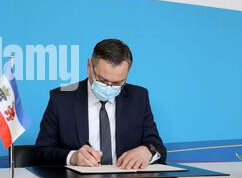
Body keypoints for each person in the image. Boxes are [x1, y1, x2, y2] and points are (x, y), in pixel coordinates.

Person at [35, 39, 166, 169]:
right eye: (103, 80)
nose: (109, 87)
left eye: (118, 83)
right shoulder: (61, 98)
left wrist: (147, 151)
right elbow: (41, 152)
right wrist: (73, 157)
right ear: (89, 67)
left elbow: (157, 146)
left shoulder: (138, 97)